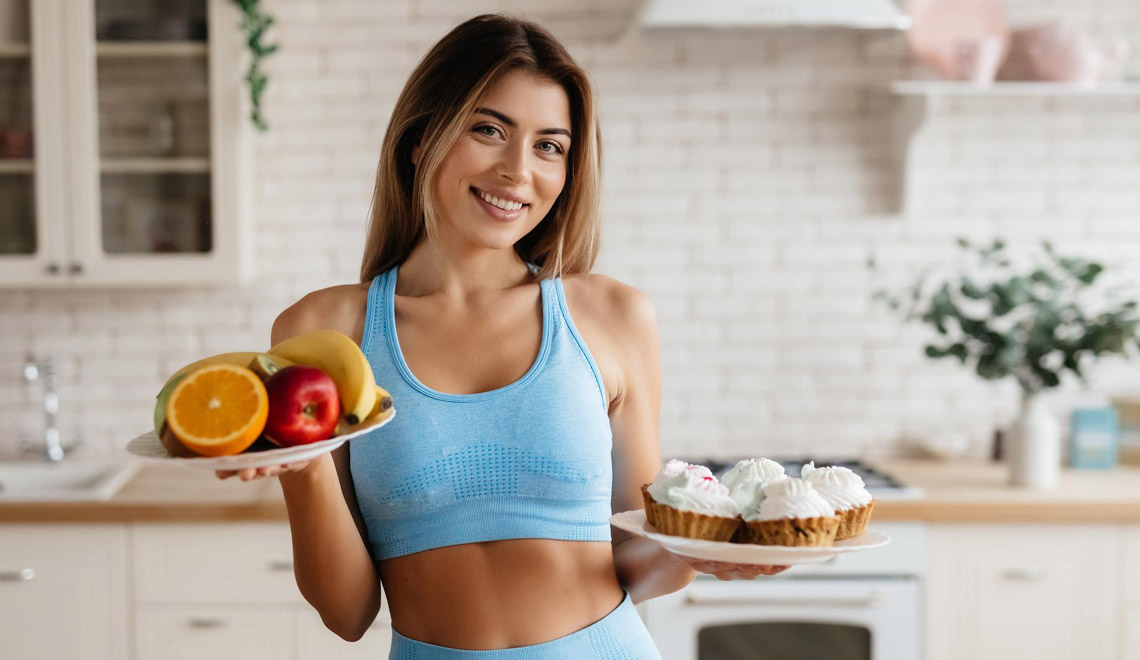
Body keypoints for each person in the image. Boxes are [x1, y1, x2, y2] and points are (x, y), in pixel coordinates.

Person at [215, 13, 787, 658]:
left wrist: (702, 554)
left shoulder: (612, 315)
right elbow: (346, 613)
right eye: (488, 130)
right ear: (420, 139)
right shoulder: (325, 333)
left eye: (549, 146)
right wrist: (303, 467)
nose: (518, 170)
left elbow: (636, 559)